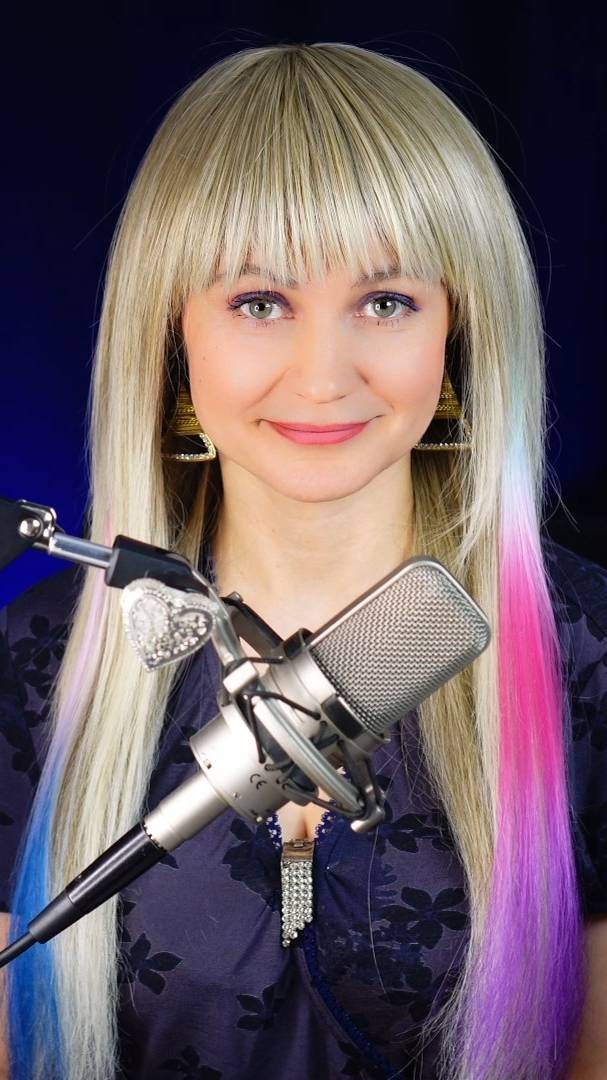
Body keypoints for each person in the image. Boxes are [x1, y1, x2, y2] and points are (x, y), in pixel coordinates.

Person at [0, 41, 606, 1080]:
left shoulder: (583, 653)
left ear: (458, 331)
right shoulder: (37, 661)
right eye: (259, 302)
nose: (323, 377)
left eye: (385, 302)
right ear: (173, 333)